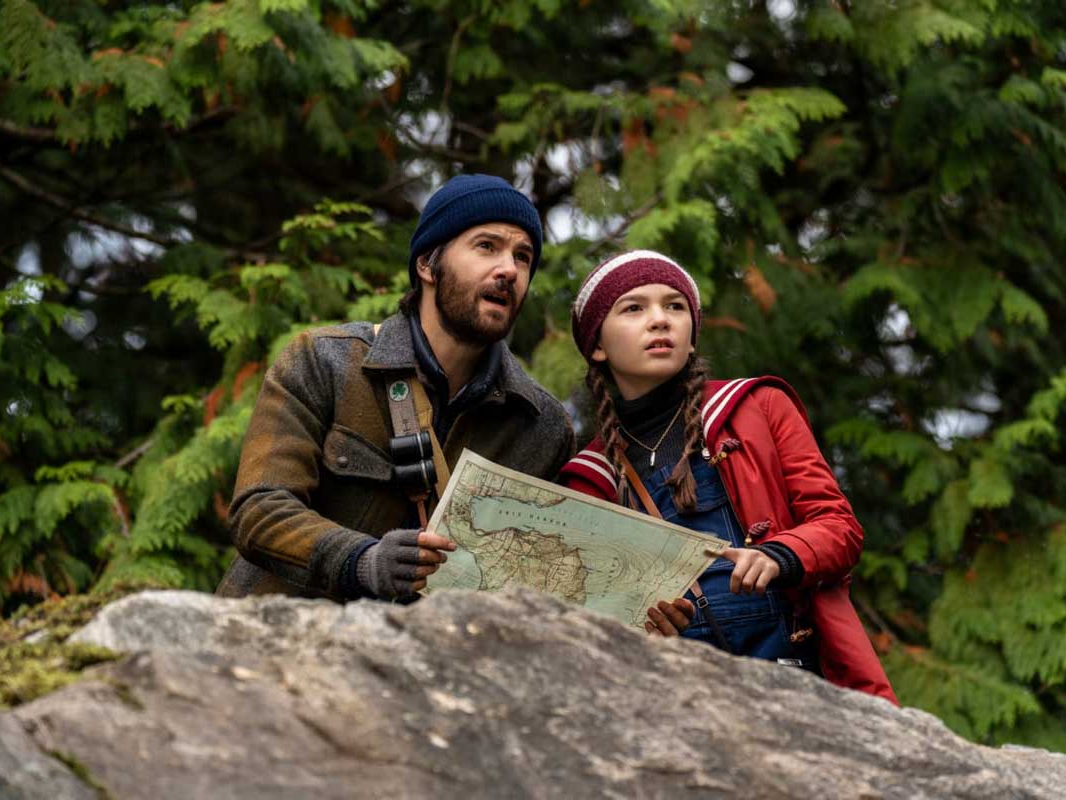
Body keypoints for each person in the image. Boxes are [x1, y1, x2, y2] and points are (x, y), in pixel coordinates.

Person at [557, 249, 897, 703]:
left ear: (692, 335)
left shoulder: (757, 408)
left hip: (796, 678)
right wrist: (641, 626)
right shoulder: (587, 480)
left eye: (674, 306)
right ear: (597, 345)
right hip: (676, 699)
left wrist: (779, 555)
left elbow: (840, 528)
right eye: (634, 308)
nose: (660, 320)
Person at [216, 174, 574, 601]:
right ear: (427, 265)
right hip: (278, 647)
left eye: (523, 257)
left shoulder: (542, 427)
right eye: (486, 246)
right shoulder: (322, 360)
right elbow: (260, 510)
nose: (508, 270)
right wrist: (361, 560)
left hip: (431, 661)